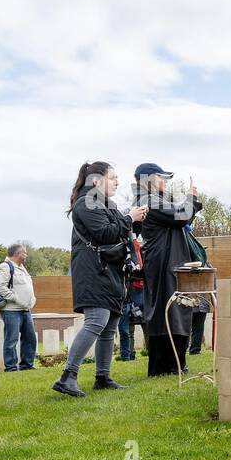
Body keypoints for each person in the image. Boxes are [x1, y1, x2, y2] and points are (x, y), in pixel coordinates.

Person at [53, 162, 148, 397]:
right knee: (97, 321)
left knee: (110, 325)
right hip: (94, 271)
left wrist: (136, 221)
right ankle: (67, 376)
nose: (117, 181)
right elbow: (104, 233)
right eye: (113, 177)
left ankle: (102, 377)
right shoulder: (86, 203)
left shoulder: (107, 204)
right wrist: (129, 217)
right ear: (96, 180)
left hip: (110, 271)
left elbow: (121, 232)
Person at [136, 162, 203, 377]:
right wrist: (191, 197)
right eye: (160, 177)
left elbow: (182, 218)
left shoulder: (157, 200)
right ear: (147, 180)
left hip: (170, 261)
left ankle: (175, 364)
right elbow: (181, 216)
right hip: (163, 264)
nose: (164, 181)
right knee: (168, 311)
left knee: (177, 310)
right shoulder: (149, 200)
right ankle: (166, 366)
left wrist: (190, 204)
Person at [0, 242, 37, 372]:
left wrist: (32, 299)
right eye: (24, 252)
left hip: (26, 309)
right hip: (11, 310)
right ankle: (11, 367)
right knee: (11, 339)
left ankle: (27, 365)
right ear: (18, 253)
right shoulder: (5, 267)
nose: (26, 255)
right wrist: (16, 298)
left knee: (30, 338)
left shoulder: (22, 267)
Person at [116, 237, 145, 361]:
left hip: (138, 291)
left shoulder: (142, 251)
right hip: (125, 293)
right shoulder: (122, 250)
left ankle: (149, 352)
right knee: (125, 328)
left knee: (144, 323)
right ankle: (127, 355)